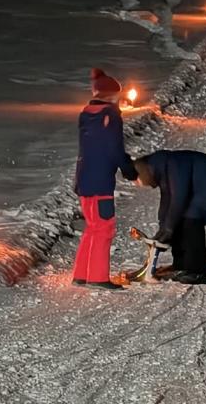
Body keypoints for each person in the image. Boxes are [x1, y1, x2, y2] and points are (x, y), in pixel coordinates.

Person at [72, 68, 137, 290]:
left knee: (92, 227)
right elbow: (114, 148)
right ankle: (98, 277)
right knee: (104, 227)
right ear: (112, 94)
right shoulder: (110, 116)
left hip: (83, 179)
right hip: (101, 181)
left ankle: (82, 274)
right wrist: (129, 169)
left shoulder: (86, 114)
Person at [133, 150, 206, 284]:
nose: (136, 183)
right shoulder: (162, 168)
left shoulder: (173, 164)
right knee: (178, 220)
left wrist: (168, 229)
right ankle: (181, 265)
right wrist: (163, 228)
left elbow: (178, 198)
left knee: (191, 218)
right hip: (199, 184)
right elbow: (166, 200)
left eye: (136, 179)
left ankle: (196, 271)